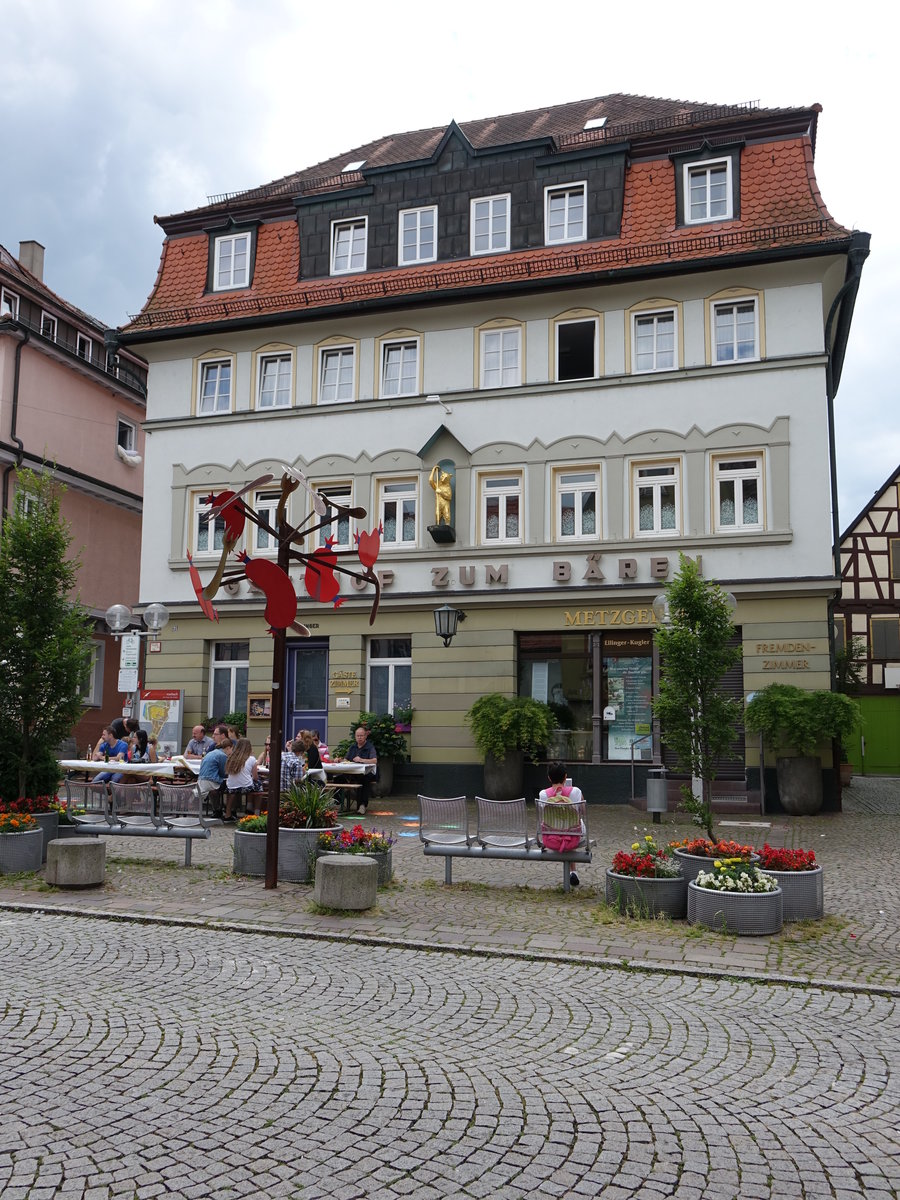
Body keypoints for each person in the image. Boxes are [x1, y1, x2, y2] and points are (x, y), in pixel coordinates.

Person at [538, 762, 585, 887]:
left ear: (549, 778)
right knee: (572, 825)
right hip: (573, 836)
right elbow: (583, 811)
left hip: (551, 836)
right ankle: (573, 872)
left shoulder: (543, 795)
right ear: (565, 777)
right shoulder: (575, 791)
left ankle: (573, 872)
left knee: (564, 826)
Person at [337, 724, 377, 815]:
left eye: (361, 735)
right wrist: (340, 760)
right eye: (357, 736)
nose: (359, 738)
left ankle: (362, 805)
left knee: (363, 779)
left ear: (365, 736)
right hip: (352, 772)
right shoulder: (353, 747)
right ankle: (339, 801)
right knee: (338, 778)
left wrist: (361, 760)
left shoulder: (369, 747)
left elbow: (374, 760)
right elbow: (346, 759)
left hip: (366, 773)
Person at [196, 725, 231, 815]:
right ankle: (228, 812)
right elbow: (223, 772)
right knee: (232, 787)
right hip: (211, 782)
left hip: (201, 781)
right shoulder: (222, 755)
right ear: (228, 748)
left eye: (215, 734)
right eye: (231, 750)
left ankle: (217, 810)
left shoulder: (212, 752)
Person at [224, 738, 260, 820]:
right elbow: (255, 777)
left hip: (231, 787)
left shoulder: (231, 757)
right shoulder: (251, 759)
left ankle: (228, 813)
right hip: (245, 787)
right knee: (259, 787)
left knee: (233, 792)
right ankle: (255, 813)